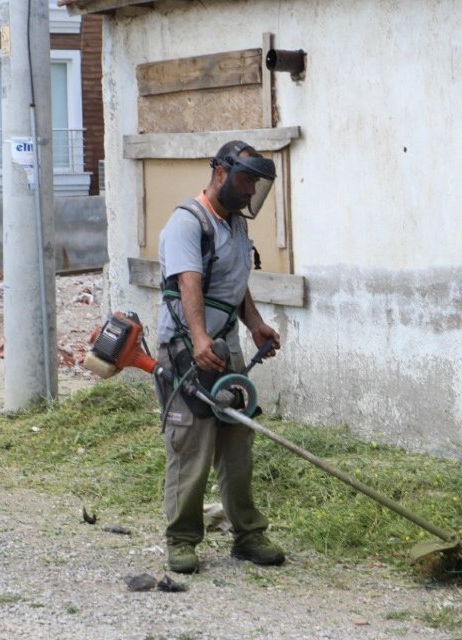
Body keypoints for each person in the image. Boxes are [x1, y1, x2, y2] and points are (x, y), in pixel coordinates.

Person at [154, 140, 285, 574]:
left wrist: (255, 324)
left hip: (225, 349)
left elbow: (234, 280)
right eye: (247, 179)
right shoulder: (187, 223)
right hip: (187, 353)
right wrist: (198, 338)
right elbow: (189, 282)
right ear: (221, 173)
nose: (251, 191)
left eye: (255, 182)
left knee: (237, 444)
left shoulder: (234, 224)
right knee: (190, 446)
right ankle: (183, 539)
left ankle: (247, 534)